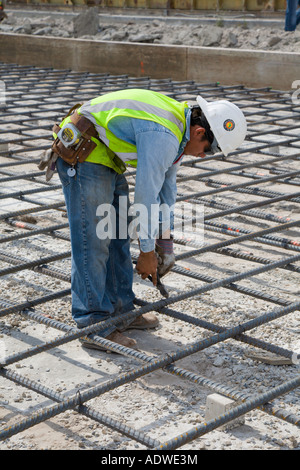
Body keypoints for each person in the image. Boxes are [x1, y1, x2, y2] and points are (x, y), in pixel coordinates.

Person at [41, 89, 247, 351]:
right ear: (199, 132)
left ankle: (120, 311)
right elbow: (146, 198)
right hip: (84, 154)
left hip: (104, 155)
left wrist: (165, 242)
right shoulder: (165, 135)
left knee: (116, 235)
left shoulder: (179, 127)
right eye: (208, 148)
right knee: (92, 242)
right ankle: (93, 326)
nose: (204, 155)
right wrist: (147, 252)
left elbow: (166, 190)